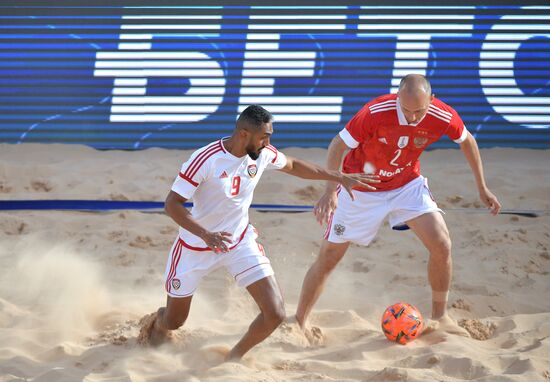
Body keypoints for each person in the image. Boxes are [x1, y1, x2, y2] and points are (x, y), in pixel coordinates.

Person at [137, 105, 379, 360]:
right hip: (195, 246)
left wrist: (337, 176)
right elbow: (172, 204)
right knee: (174, 321)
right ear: (243, 134)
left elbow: (294, 165)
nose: (268, 142)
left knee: (274, 313)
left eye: (270, 136)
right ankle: (156, 321)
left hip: (238, 241)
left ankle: (233, 358)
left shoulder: (262, 154)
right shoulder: (206, 159)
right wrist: (206, 234)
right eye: (264, 137)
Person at [294, 74, 501, 338]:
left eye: (419, 111)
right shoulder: (375, 112)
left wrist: (481, 187)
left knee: (442, 243)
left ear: (432, 100)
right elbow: (337, 145)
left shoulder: (442, 114)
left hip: (406, 184)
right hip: (360, 185)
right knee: (330, 256)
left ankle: (440, 317)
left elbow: (467, 140)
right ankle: (299, 321)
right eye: (406, 110)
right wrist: (330, 190)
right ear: (396, 99)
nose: (413, 117)